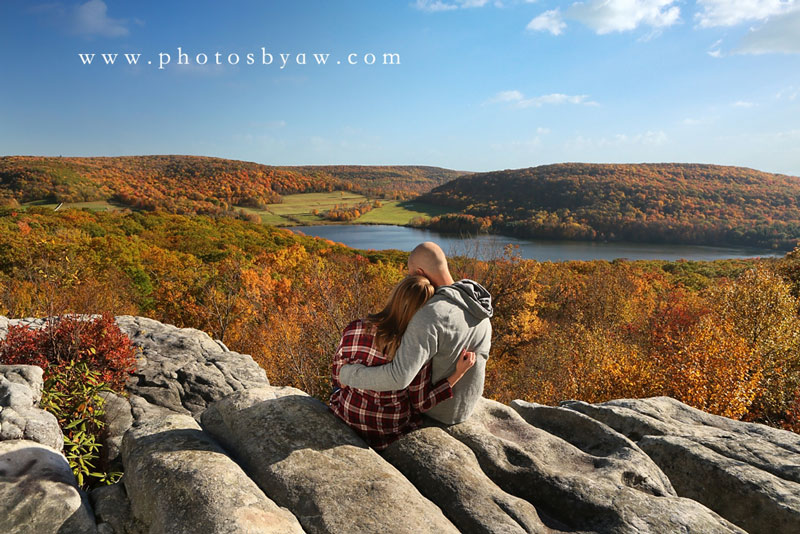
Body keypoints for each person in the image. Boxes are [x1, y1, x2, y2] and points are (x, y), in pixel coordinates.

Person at [338, 241, 493, 425]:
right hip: (467, 403)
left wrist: (346, 374)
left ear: (420, 274)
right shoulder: (478, 306)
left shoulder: (431, 314)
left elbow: (399, 377)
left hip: (439, 409)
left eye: (411, 275)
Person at [330, 274, 477, 450]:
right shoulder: (415, 349)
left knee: (336, 390)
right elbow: (421, 403)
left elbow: (337, 375)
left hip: (348, 416)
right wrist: (457, 374)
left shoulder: (355, 328)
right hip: (388, 430)